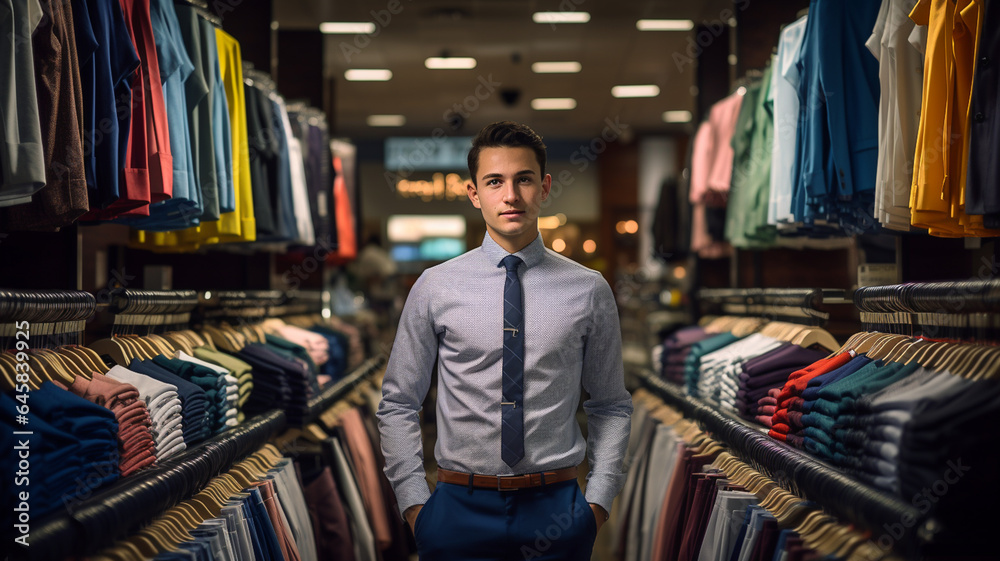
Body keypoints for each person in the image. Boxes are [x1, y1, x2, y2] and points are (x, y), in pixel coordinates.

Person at [377, 121, 633, 560]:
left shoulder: (589, 289)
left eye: (524, 179)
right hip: (456, 512)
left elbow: (610, 404)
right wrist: (416, 506)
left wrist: (598, 504)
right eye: (494, 181)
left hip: (558, 510)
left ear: (545, 186)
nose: (510, 195)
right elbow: (399, 401)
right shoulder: (435, 286)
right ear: (474, 192)